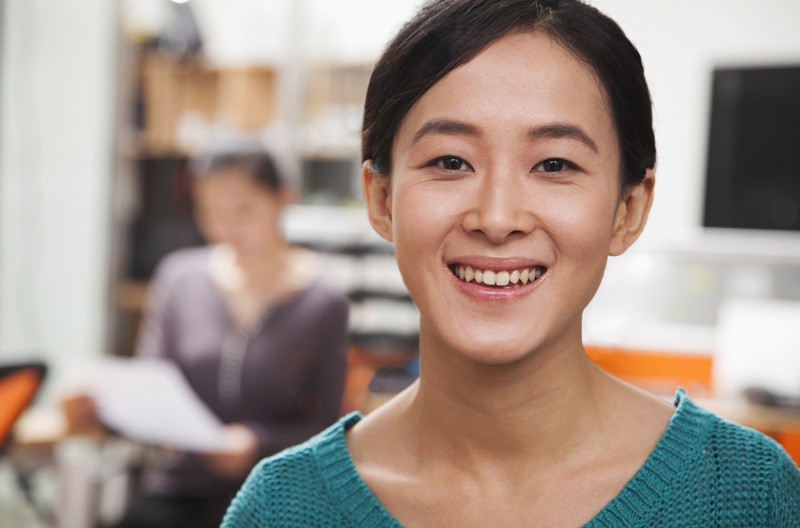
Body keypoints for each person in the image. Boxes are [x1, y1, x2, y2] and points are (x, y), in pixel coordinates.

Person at [221, 1, 800, 527]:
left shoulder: (748, 493)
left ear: (628, 209)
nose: (497, 218)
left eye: (554, 165)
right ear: (381, 199)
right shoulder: (281, 508)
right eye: (450, 160)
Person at [69, 145, 350, 528]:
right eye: (209, 213)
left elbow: (326, 426)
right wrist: (99, 408)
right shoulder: (179, 279)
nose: (224, 229)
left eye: (243, 211)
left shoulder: (324, 298)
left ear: (283, 198)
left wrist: (256, 443)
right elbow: (149, 391)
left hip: (272, 494)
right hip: (175, 491)